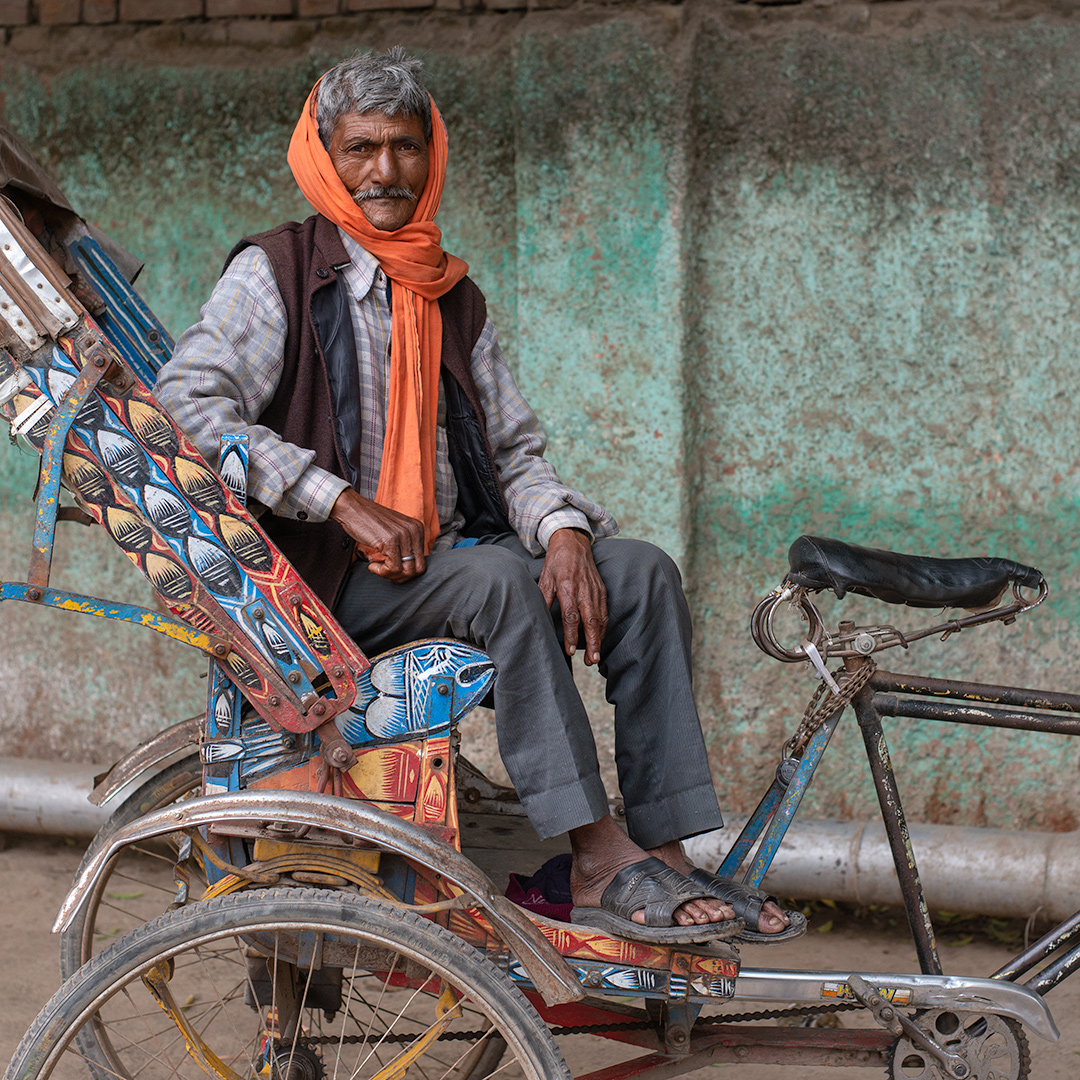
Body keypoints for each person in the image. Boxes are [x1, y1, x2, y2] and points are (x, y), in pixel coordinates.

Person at [155, 48, 796, 946]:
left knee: (641, 572)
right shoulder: (277, 274)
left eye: (406, 147)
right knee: (498, 578)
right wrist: (335, 497)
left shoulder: (452, 295)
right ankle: (597, 852)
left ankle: (668, 847)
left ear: (432, 154)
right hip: (333, 586)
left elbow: (515, 452)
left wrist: (566, 531)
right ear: (324, 155)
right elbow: (187, 407)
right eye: (362, 148)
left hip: (456, 558)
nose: (386, 172)